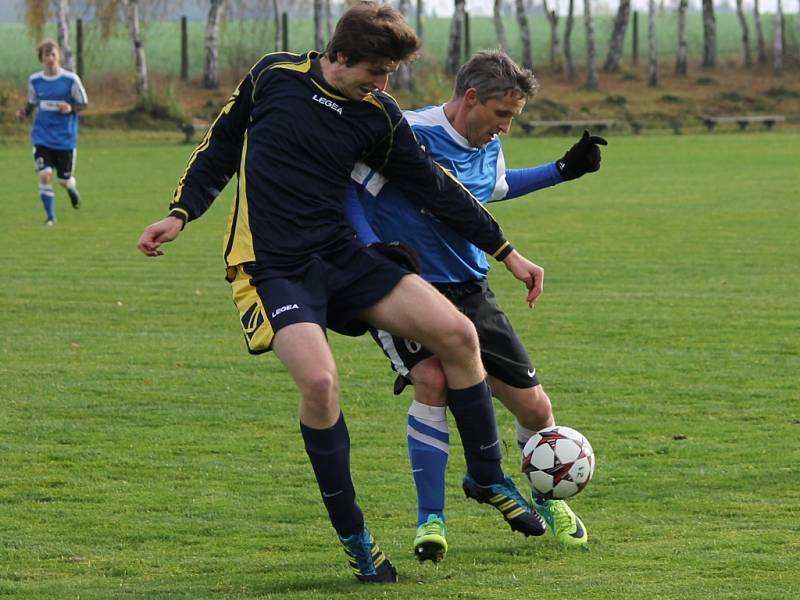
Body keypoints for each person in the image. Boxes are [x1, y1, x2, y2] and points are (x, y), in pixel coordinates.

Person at [137, 2, 548, 584]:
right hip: (272, 266)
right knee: (322, 383)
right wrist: (181, 213)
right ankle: (356, 538)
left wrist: (507, 252)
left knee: (458, 333)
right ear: (338, 56)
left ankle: (485, 474)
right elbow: (220, 146)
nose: (384, 86)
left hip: (341, 257)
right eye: (375, 73)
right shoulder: (272, 77)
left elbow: (435, 187)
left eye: (390, 76)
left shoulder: (378, 114)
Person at [343, 50, 608, 562]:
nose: (505, 128)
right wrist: (369, 247)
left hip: (470, 287)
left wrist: (562, 170)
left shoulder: (488, 146)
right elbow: (350, 186)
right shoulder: (408, 133)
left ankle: (543, 492)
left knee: (536, 407)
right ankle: (431, 520)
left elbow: (496, 188)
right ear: (471, 98)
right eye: (502, 115)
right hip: (404, 287)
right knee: (433, 381)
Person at [16, 40, 88, 225]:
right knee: (44, 175)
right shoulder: (35, 81)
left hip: (65, 139)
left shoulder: (71, 80)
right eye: (46, 55)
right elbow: (32, 103)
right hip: (42, 136)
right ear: (41, 59)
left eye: (53, 54)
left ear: (59, 57)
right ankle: (51, 217)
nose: (50, 59)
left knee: (63, 181)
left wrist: (70, 107)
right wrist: (24, 113)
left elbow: (83, 103)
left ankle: (71, 189)